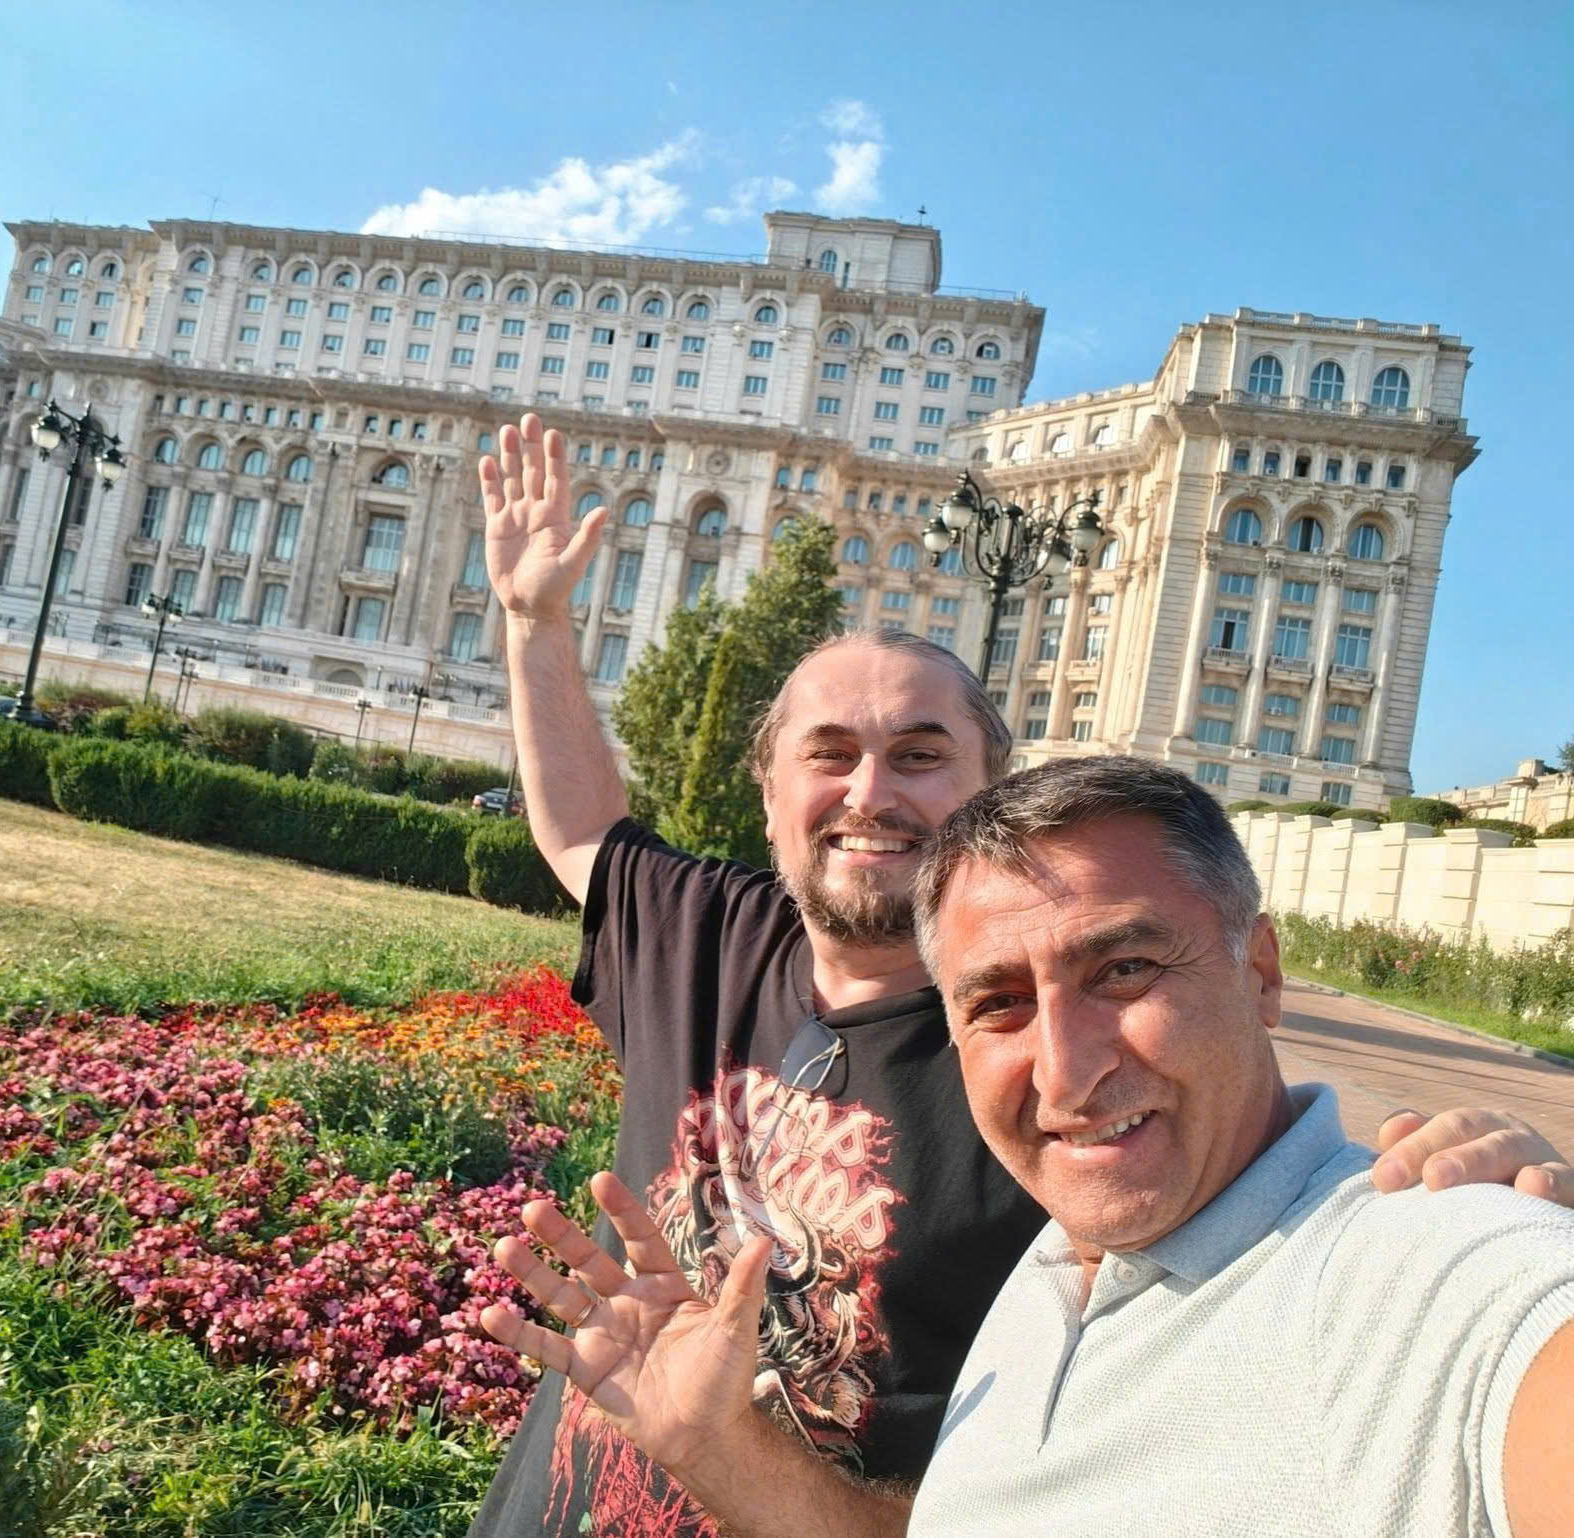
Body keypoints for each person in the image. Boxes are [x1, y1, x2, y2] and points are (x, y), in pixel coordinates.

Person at [468, 414, 1572, 1536]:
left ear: (987, 795)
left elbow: (1352, 1269)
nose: (868, 792)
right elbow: (580, 826)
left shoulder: (1053, 1107)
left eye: (919, 754)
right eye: (829, 753)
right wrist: (533, 619)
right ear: (769, 794)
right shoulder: (707, 931)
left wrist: (1483, 1212)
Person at [479, 757, 1574, 1536]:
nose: (1062, 1070)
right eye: (998, 1002)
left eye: (1124, 970)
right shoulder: (1055, 1264)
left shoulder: (1430, 1263)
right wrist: (714, 1440)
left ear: (1260, 973)